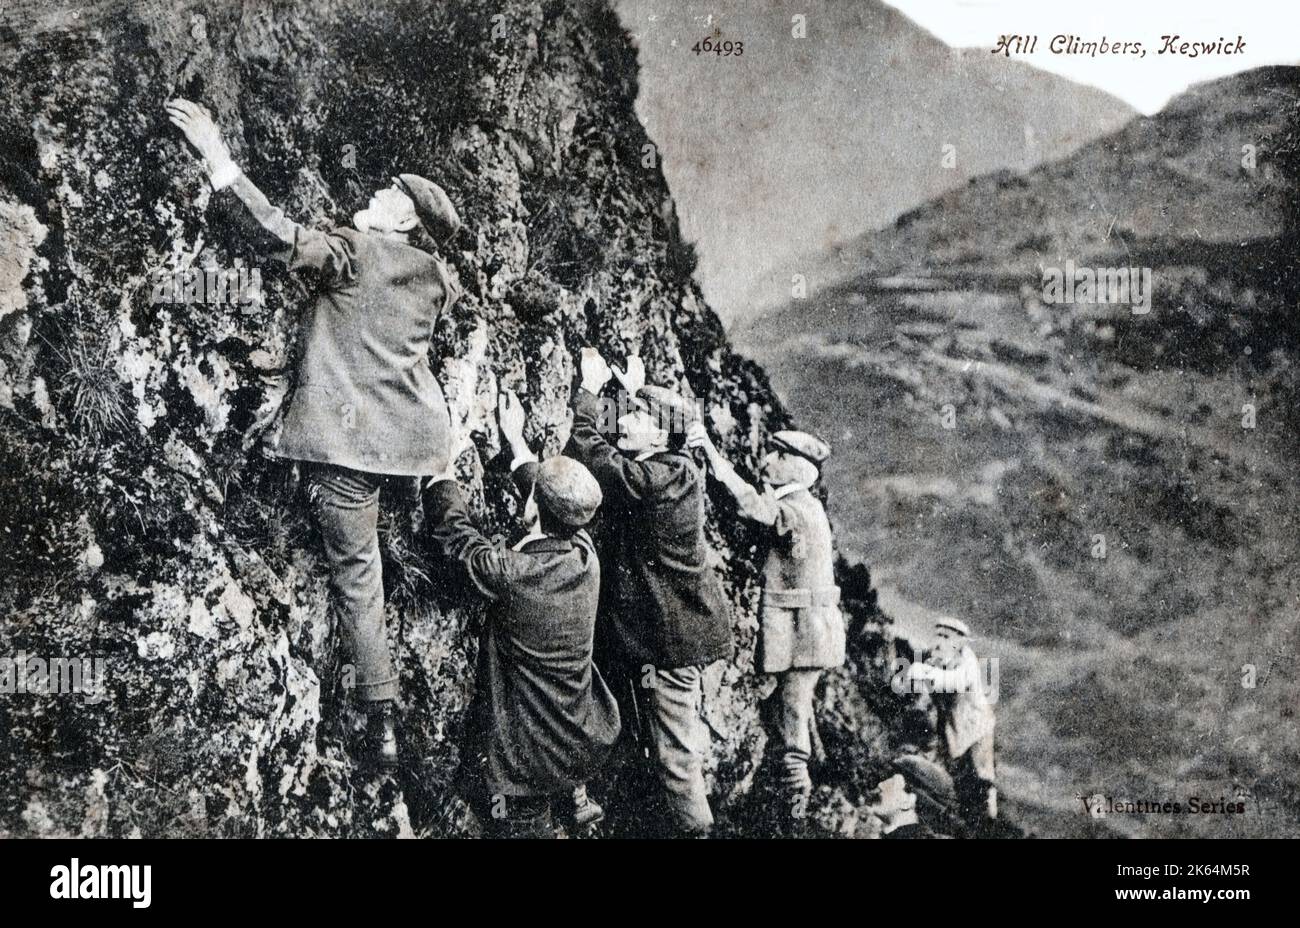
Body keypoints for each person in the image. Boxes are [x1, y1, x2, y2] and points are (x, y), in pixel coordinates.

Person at [165, 99, 462, 766]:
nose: (377, 193)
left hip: (344, 452)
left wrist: (215, 154)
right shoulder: (432, 279)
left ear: (404, 218)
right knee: (374, 567)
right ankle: (381, 710)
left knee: (360, 578)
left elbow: (277, 233)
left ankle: (378, 717)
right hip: (401, 446)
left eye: (389, 194)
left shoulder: (355, 252)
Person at [424, 391, 620, 837]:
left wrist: (442, 472)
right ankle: (574, 799)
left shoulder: (516, 573)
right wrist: (517, 445)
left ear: (533, 506)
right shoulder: (585, 554)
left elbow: (460, 540)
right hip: (577, 737)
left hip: (527, 758)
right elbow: (553, 501)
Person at [565, 350, 732, 836]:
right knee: (657, 744)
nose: (626, 419)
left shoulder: (659, 477)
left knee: (675, 755)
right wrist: (628, 388)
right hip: (666, 636)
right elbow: (620, 448)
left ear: (660, 434)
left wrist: (590, 395)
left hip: (671, 644)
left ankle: (699, 832)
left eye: (638, 415)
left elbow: (594, 454)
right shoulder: (671, 466)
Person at [688, 424, 846, 827]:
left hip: (802, 636)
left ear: (797, 469)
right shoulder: (810, 507)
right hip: (810, 633)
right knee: (795, 708)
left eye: (778, 457)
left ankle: (796, 811)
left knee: (792, 720)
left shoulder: (796, 510)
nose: (767, 462)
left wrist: (711, 453)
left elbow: (750, 506)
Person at [906, 617, 997, 828]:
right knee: (955, 774)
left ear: (959, 642)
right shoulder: (939, 659)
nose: (939, 641)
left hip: (977, 727)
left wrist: (922, 671)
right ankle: (957, 819)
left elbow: (953, 682)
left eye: (946, 637)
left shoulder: (967, 662)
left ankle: (985, 824)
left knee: (982, 779)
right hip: (955, 726)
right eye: (937, 635)